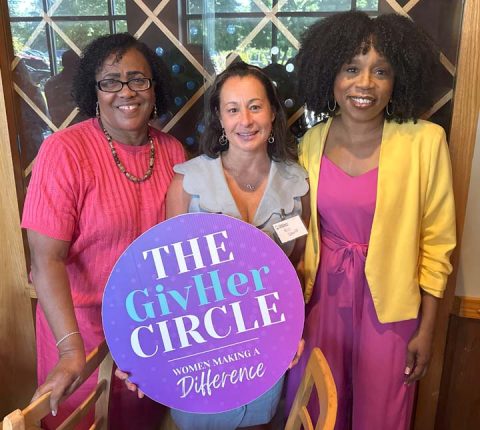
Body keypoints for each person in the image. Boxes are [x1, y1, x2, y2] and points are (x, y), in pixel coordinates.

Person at [285, 11, 456, 430]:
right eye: (351, 69)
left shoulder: (425, 142)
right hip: (321, 302)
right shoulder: (311, 141)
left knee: (381, 415)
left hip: (391, 308)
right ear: (330, 74)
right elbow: (298, 226)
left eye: (381, 71)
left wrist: (427, 329)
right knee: (317, 409)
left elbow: (438, 244)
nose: (365, 83)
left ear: (397, 79)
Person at [117, 61, 309, 429]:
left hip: (265, 352)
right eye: (232, 109)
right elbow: (164, 280)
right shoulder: (188, 183)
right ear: (219, 118)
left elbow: (295, 267)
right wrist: (142, 354)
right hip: (199, 357)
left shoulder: (297, 183)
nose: (245, 120)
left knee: (260, 423)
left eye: (255, 107)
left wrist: (292, 331)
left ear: (272, 112)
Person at [21, 33, 185, 430]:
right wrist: (70, 350)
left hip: (148, 335)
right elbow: (46, 261)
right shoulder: (64, 151)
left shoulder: (173, 152)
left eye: (138, 79)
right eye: (110, 81)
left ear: (154, 87)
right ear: (93, 91)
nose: (126, 92)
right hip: (80, 336)